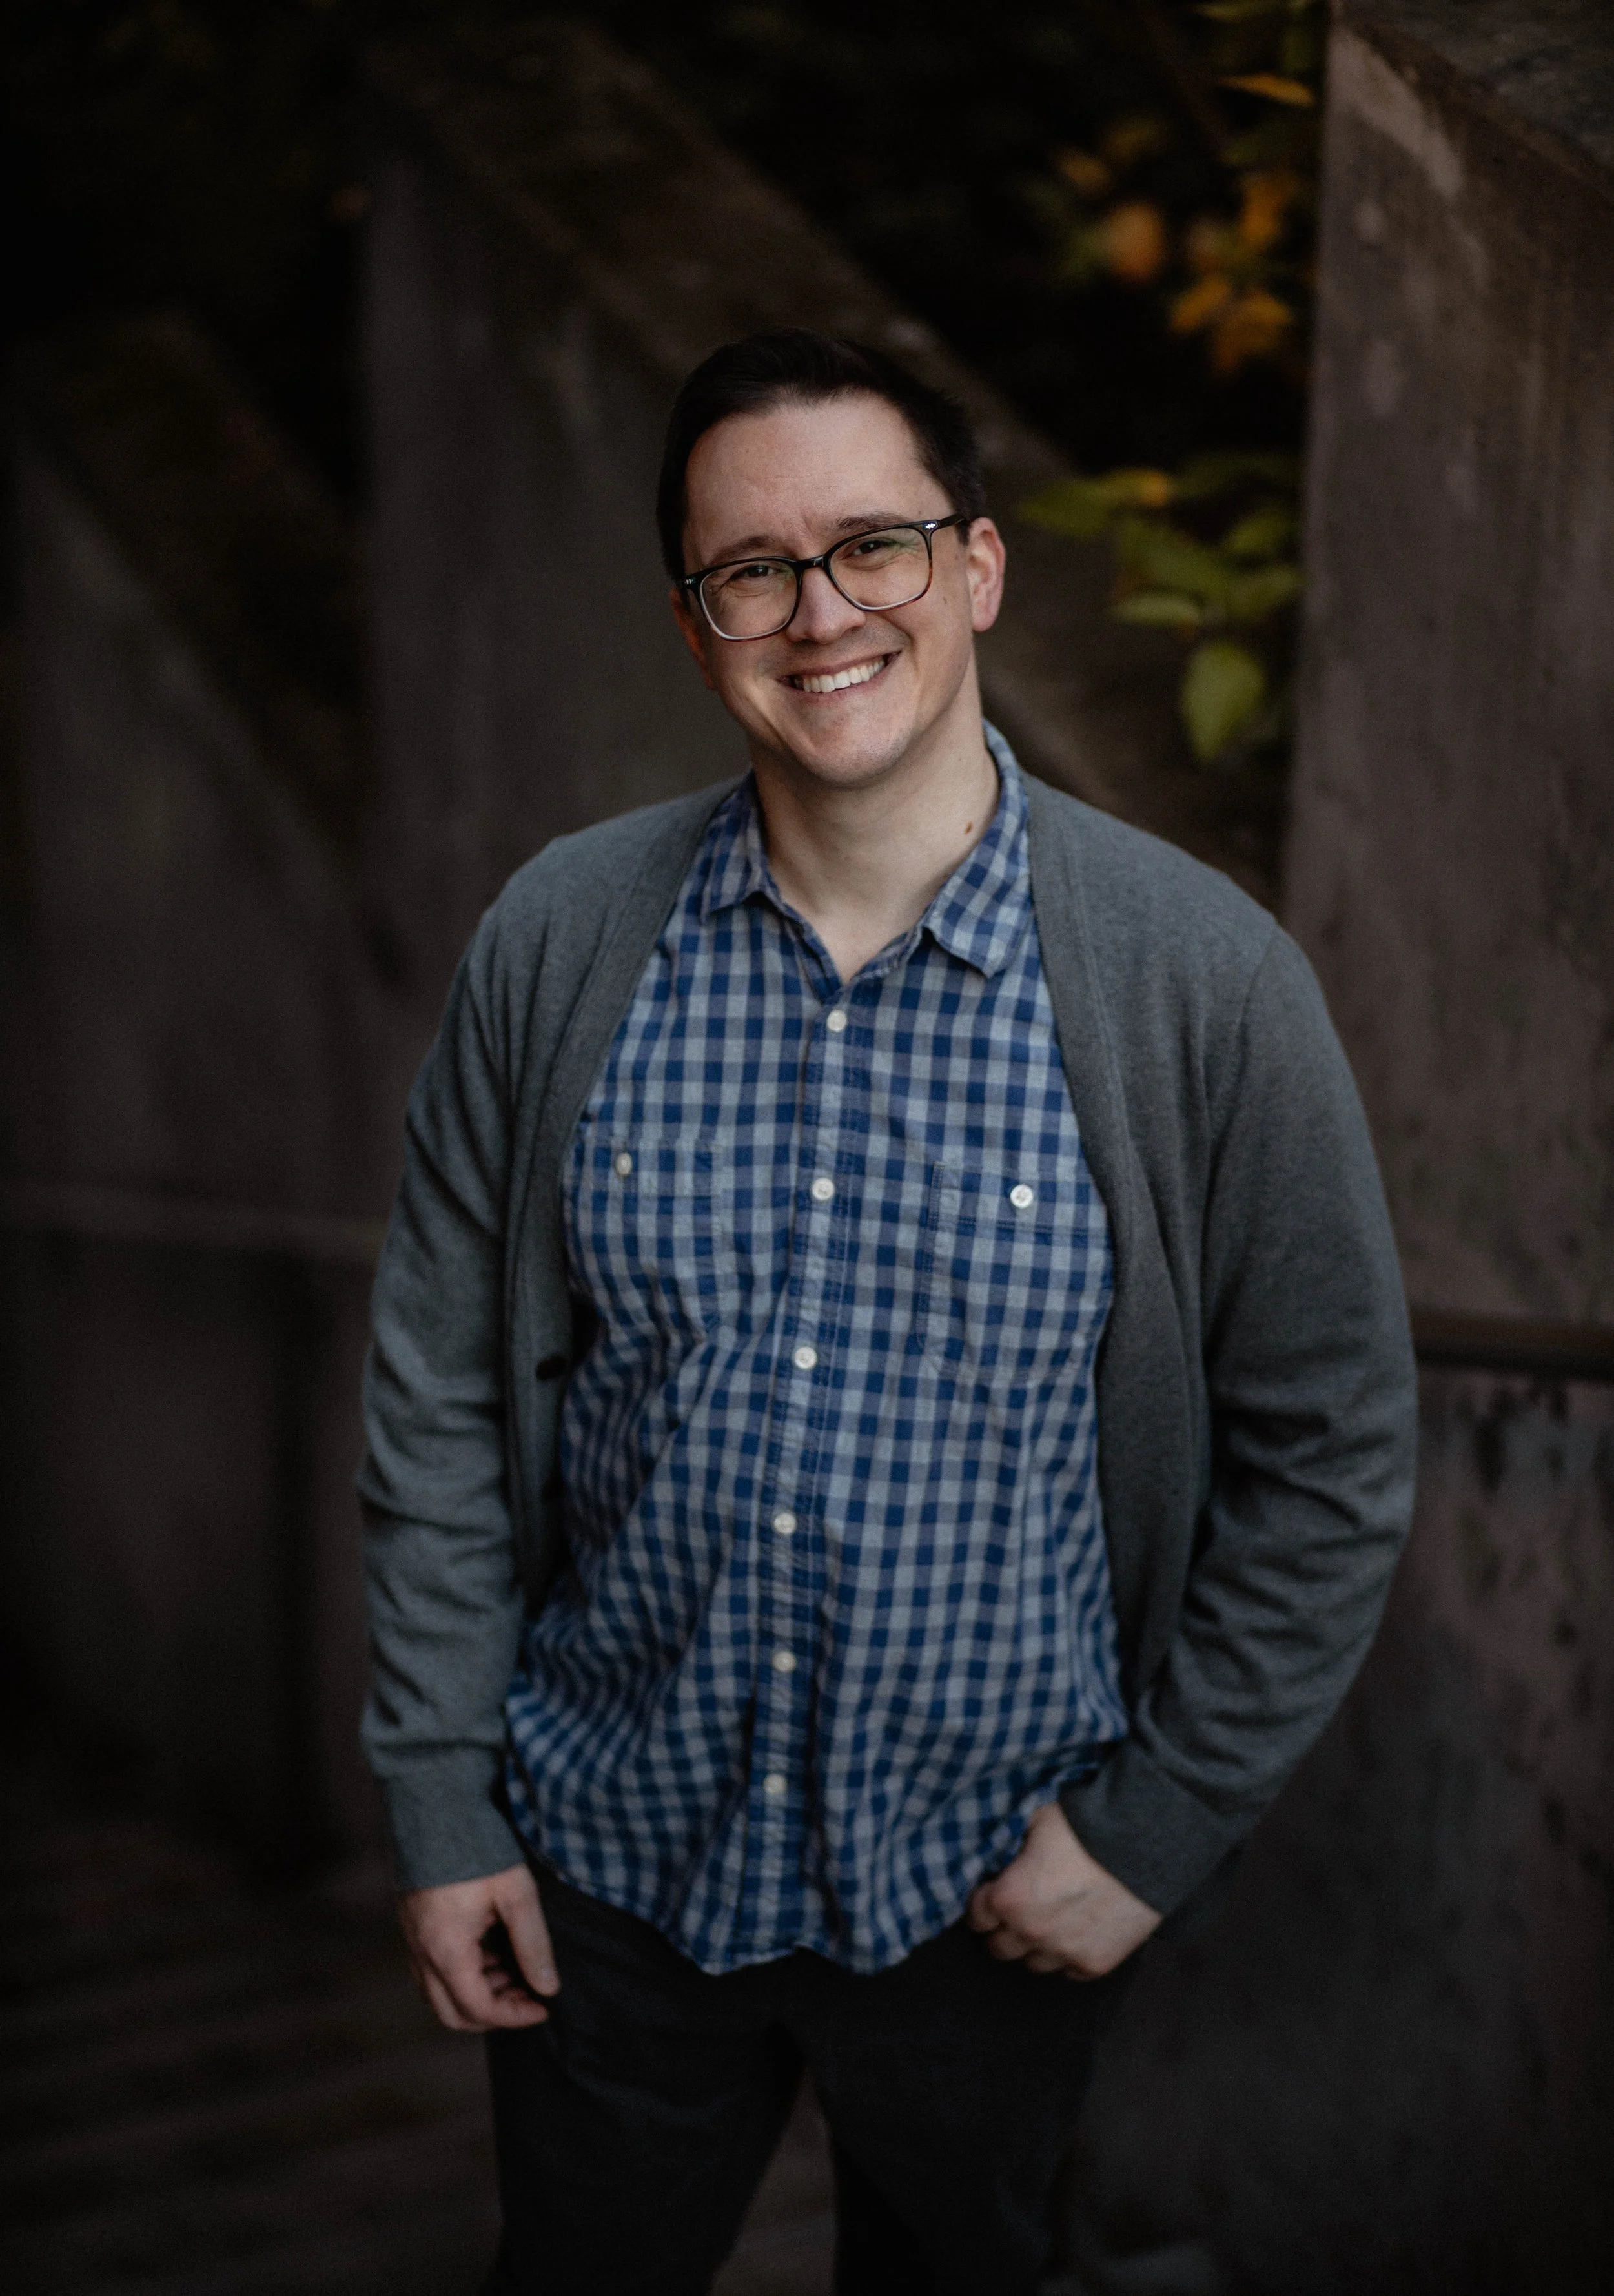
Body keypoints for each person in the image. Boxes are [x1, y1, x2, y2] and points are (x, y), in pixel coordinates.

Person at [358, 328, 1416, 2295]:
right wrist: (438, 1792)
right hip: (613, 1859)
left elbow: (1334, 1446)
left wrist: (1156, 1823)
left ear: (979, 567)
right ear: (694, 626)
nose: (818, 610)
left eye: (873, 546)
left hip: (997, 1893)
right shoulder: (562, 942)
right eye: (749, 567)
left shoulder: (1201, 983)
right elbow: (434, 1384)